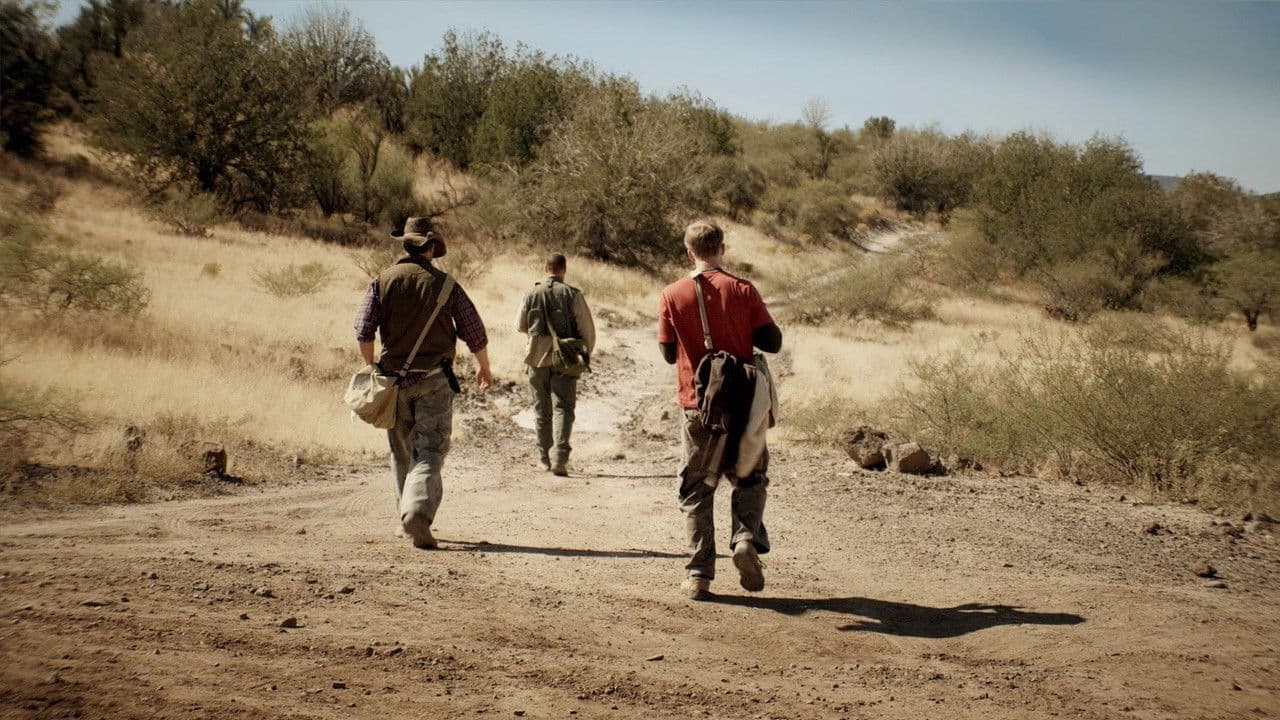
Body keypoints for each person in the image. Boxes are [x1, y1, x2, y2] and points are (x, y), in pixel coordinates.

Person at [657, 220, 783, 600]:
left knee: (696, 488)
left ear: (689, 253)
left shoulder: (671, 294)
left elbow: (667, 353)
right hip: (743, 403)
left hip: (697, 404)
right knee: (750, 478)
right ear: (722, 249)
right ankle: (744, 539)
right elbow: (772, 341)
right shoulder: (743, 289)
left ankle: (699, 575)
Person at [354, 216, 492, 550]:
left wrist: (373, 368)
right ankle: (416, 510)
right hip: (435, 379)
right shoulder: (446, 285)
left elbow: (364, 331)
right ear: (431, 247)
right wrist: (484, 367)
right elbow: (474, 331)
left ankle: (404, 519)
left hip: (394, 382)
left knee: (401, 450)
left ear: (405, 244)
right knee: (430, 449)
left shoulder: (382, 281)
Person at [516, 253, 596, 476]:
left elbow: (520, 325)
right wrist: (583, 355)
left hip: (536, 359)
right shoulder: (573, 294)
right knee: (563, 408)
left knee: (541, 409)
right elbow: (587, 331)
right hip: (565, 360)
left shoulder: (531, 293)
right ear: (564, 269)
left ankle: (544, 458)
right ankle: (560, 458)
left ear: (546, 269)